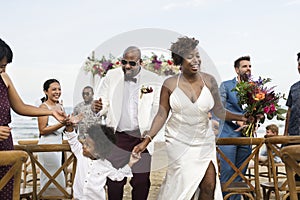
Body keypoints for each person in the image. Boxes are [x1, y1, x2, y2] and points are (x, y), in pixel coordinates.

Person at [133, 36, 249, 200]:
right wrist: (146, 140)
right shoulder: (170, 84)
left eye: (197, 55)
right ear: (180, 60)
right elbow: (161, 114)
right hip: (178, 141)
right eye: (190, 56)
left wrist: (243, 117)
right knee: (182, 187)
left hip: (203, 140)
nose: (196, 60)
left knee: (209, 184)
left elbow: (219, 111)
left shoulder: (209, 80)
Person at [92, 46, 162, 200]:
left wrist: (149, 135)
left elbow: (158, 110)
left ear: (140, 62)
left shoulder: (153, 79)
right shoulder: (111, 76)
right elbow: (104, 102)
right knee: (114, 181)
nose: (127, 66)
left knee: (142, 181)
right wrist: (98, 107)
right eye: (124, 62)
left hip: (142, 137)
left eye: (132, 63)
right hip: (118, 136)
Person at [0, 38, 66, 200]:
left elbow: (21, 107)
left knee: (7, 190)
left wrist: (50, 113)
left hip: (4, 143)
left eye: (4, 66)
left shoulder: (4, 78)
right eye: (0, 66)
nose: (2, 70)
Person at [63, 119, 141, 200]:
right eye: (84, 143)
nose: (83, 146)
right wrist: (69, 127)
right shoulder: (80, 153)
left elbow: (118, 176)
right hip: (77, 198)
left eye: (88, 145)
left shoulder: (106, 165)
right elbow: (73, 141)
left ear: (98, 152)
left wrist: (131, 162)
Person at [217, 55, 253, 200]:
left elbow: (257, 111)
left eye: (250, 66)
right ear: (237, 70)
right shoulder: (225, 85)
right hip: (228, 136)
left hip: (246, 138)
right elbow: (219, 111)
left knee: (240, 175)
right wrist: (238, 121)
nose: (248, 69)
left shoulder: (255, 88)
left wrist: (256, 119)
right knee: (227, 174)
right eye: (245, 66)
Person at [37, 79, 66, 189]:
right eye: (54, 89)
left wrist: (71, 122)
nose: (57, 92)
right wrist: (62, 123)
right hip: (47, 146)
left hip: (59, 146)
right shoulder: (43, 107)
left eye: (59, 89)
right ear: (45, 91)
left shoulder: (60, 106)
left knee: (58, 177)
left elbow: (64, 128)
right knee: (50, 178)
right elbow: (42, 130)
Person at [284, 52, 300, 136]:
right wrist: (285, 133)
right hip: (294, 133)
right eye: (299, 64)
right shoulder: (293, 88)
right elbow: (289, 111)